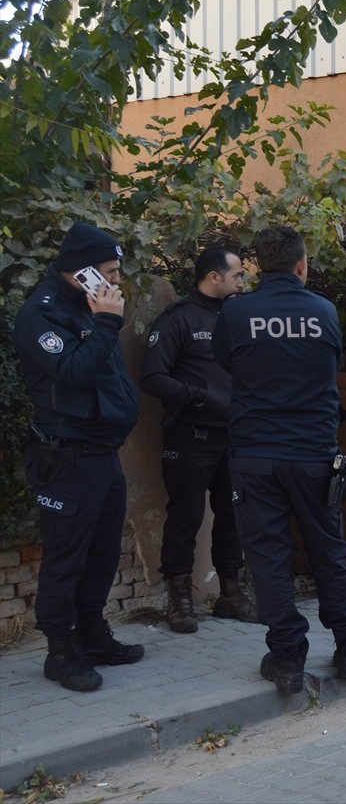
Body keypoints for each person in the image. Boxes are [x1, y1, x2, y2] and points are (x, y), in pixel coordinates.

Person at [211, 226, 346, 694]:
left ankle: (287, 658)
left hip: (257, 455)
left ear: (258, 266)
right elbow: (328, 362)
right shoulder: (324, 311)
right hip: (315, 455)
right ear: (302, 265)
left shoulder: (237, 312)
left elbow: (226, 362)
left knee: (268, 560)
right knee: (329, 552)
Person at [13, 221, 145, 693]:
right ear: (81, 271)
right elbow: (72, 373)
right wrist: (108, 321)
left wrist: (102, 320)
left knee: (103, 552)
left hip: (101, 453)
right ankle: (60, 651)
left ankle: (92, 633)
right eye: (107, 272)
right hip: (67, 457)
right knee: (66, 558)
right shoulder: (41, 315)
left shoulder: (87, 307)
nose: (114, 282)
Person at [141, 246, 258, 634]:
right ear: (213, 277)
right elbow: (153, 378)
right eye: (237, 275)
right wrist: (200, 395)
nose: (242, 281)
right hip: (191, 436)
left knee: (234, 518)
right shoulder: (178, 319)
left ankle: (231, 594)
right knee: (185, 519)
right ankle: (180, 599)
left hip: (236, 437)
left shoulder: (238, 317)